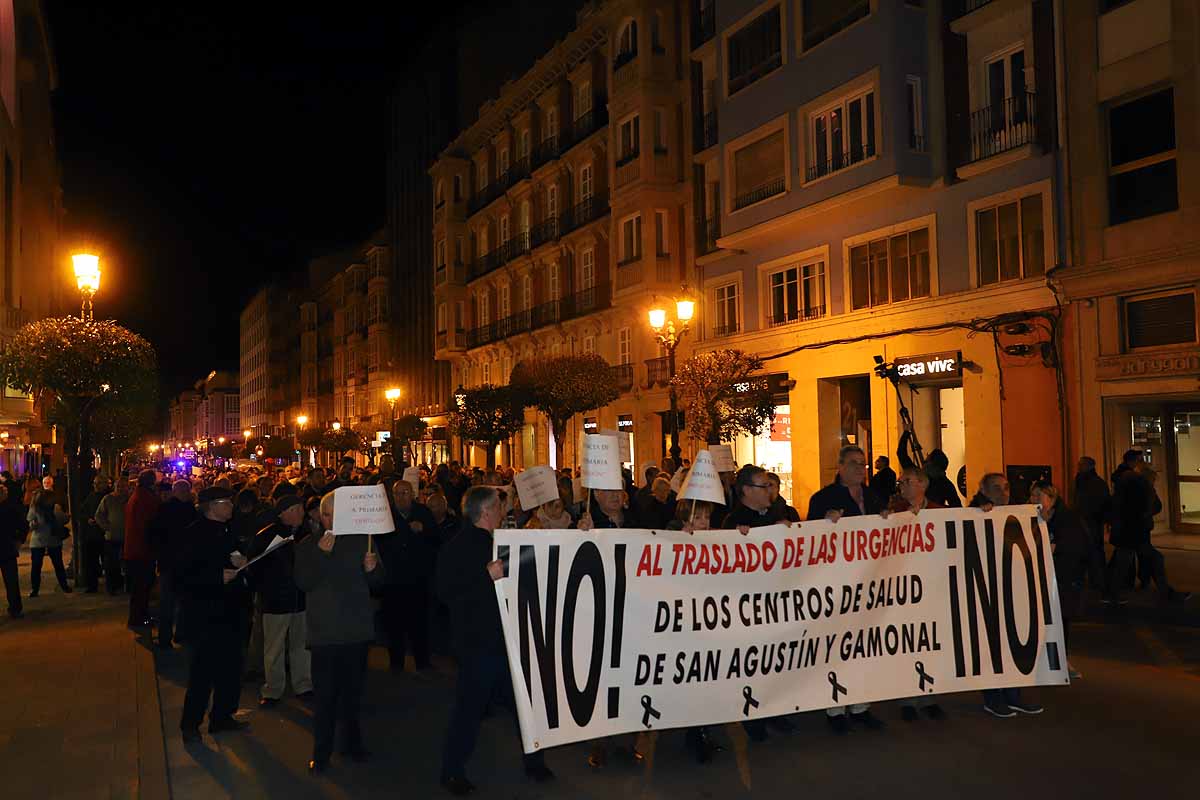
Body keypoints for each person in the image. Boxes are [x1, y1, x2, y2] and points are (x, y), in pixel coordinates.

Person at [437, 486, 553, 794]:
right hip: (478, 644)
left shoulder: (498, 542)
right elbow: (444, 591)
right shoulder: (458, 547)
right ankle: (451, 771)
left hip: (506, 641)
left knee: (524, 705)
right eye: (500, 508)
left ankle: (535, 763)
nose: (504, 512)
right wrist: (483, 577)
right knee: (470, 709)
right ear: (487, 511)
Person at [294, 490, 386, 773]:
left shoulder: (362, 541)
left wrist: (372, 570)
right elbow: (303, 582)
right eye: (333, 513)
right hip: (325, 634)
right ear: (323, 516)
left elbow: (380, 583)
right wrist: (322, 554)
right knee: (325, 698)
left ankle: (351, 744)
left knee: (353, 694)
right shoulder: (310, 544)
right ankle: (321, 753)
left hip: (356, 630)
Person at [806, 446, 886, 732]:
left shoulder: (874, 497)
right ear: (839, 466)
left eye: (863, 464)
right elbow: (809, 538)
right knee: (836, 647)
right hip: (837, 584)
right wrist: (825, 523)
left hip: (869, 582)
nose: (859, 469)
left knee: (863, 646)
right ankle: (835, 709)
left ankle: (861, 705)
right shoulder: (823, 498)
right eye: (853, 464)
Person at [176, 487, 252, 742]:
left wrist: (243, 563)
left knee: (230, 669)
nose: (231, 506)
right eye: (226, 502)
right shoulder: (192, 534)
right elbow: (182, 575)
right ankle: (191, 723)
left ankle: (222, 716)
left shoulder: (229, 530)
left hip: (231, 612)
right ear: (210, 506)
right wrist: (216, 577)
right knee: (202, 673)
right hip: (204, 615)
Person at [970, 472, 1046, 717]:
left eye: (1006, 487)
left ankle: (1013, 695)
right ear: (984, 491)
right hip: (986, 590)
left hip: (1012, 588)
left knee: (1012, 641)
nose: (1003, 492)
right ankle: (992, 698)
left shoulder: (1017, 514)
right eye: (996, 488)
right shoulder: (973, 512)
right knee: (990, 645)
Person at [888, 468, 947, 721]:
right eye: (900, 482)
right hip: (904, 589)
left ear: (923, 483)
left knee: (931, 642)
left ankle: (929, 696)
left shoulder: (939, 512)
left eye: (907, 481)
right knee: (908, 643)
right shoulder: (893, 511)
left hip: (933, 587)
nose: (901, 485)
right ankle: (908, 699)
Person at [250, 494, 314, 707]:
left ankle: (303, 685)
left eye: (301, 508)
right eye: (295, 509)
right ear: (283, 513)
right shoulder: (266, 536)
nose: (301, 513)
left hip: (301, 599)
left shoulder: (309, 533)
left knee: (302, 646)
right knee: (274, 648)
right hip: (276, 600)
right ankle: (273, 689)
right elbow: (254, 568)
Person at [377, 479, 438, 674]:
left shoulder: (423, 512)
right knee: (394, 623)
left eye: (404, 493)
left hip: (417, 578)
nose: (401, 497)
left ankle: (422, 661)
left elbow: (437, 539)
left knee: (419, 623)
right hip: (393, 579)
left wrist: (424, 530)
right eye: (397, 494)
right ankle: (396, 662)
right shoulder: (386, 515)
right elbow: (379, 542)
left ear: (412, 494)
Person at [1106, 465, 1189, 606]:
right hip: (1134, 534)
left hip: (1128, 533)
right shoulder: (1141, 489)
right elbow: (1152, 507)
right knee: (1131, 563)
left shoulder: (1124, 489)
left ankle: (1164, 592)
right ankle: (1112, 594)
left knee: (1131, 562)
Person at [1030, 482, 1087, 679]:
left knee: (1060, 619)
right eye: (1032, 496)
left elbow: (1072, 548)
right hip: (1040, 578)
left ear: (1051, 499)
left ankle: (1061, 660)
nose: (1034, 500)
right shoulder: (1030, 517)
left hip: (1062, 579)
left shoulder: (1067, 519)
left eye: (1039, 496)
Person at [151, 481, 198, 649]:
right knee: (181, 601)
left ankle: (165, 637)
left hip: (169, 562)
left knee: (168, 602)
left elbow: (155, 534)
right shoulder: (190, 510)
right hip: (183, 563)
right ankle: (180, 635)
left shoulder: (164, 509)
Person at [124, 470, 162, 629]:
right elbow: (152, 524)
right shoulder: (146, 499)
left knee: (140, 587)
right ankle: (138, 619)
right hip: (142, 550)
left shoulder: (137, 496)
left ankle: (139, 617)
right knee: (141, 587)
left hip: (135, 548)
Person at [1072, 456, 1111, 594]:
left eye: (1081, 465)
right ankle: (1093, 579)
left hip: (1091, 521)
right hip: (1087, 520)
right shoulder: (1086, 481)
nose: (1078, 467)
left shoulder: (1092, 483)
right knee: (1089, 550)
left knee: (1093, 550)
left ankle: (1096, 580)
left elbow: (1098, 503)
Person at [26, 488, 71, 597]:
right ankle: (63, 586)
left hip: (41, 541)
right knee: (53, 565)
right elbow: (64, 519)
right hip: (49, 540)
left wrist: (33, 525)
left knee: (40, 566)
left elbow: (30, 523)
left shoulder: (36, 508)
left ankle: (35, 589)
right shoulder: (51, 508)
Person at [96, 480, 130, 594]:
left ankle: (124, 585)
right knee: (111, 564)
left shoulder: (130, 499)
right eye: (118, 486)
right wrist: (107, 527)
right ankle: (112, 587)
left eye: (123, 486)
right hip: (112, 537)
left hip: (127, 537)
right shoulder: (108, 499)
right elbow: (99, 515)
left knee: (126, 564)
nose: (121, 489)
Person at [80, 475, 112, 593]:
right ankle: (92, 585)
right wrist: (88, 519)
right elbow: (83, 511)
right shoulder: (91, 496)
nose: (96, 486)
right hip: (92, 534)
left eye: (98, 483)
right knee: (91, 562)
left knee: (108, 562)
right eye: (95, 483)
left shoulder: (109, 497)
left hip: (104, 534)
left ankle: (111, 585)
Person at [0, 484, 28, 618]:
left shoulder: (10, 508)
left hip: (7, 548)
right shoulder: (11, 508)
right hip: (7, 548)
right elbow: (23, 525)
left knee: (11, 581)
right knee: (11, 581)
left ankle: (15, 607)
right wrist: (19, 540)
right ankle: (15, 608)